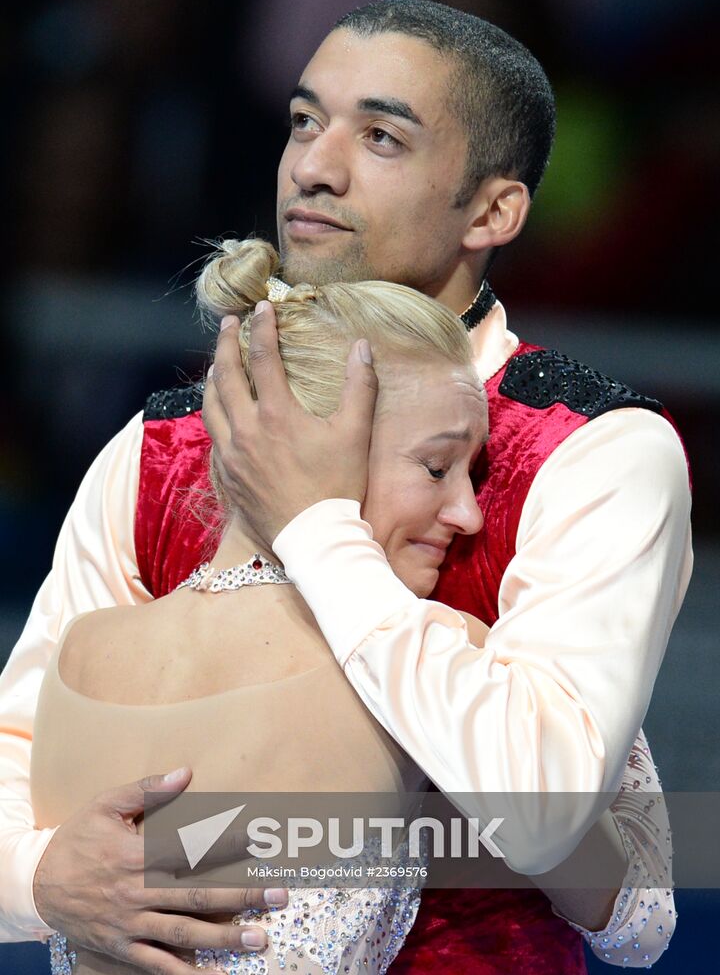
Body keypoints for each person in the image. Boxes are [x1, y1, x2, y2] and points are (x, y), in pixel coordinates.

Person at [0, 0, 690, 975]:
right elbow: (15, 759)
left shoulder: (593, 451)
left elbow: (566, 835)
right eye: (302, 122)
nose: (315, 166)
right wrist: (42, 881)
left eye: (381, 135)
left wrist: (319, 526)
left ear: (493, 209)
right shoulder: (159, 446)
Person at [29, 240, 669, 975]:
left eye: (474, 471)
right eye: (436, 467)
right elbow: (640, 921)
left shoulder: (82, 650)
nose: (466, 511)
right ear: (308, 444)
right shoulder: (430, 649)